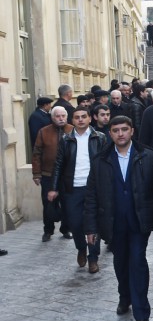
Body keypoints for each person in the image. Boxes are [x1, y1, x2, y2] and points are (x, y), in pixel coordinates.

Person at [84, 116, 153, 321]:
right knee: (121, 262)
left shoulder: (147, 155)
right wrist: (90, 227)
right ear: (110, 133)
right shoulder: (101, 160)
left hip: (139, 221)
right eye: (116, 130)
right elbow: (91, 195)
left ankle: (141, 313)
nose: (120, 134)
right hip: (113, 222)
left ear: (132, 131)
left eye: (124, 129)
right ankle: (124, 295)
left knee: (137, 261)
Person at [49, 107, 107, 273]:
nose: (80, 120)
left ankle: (93, 257)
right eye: (77, 117)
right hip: (72, 189)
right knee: (75, 224)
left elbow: (105, 163)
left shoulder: (100, 137)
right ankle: (81, 248)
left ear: (90, 119)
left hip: (94, 189)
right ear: (72, 120)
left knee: (93, 224)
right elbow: (58, 164)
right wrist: (53, 188)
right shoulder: (66, 140)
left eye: (83, 117)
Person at [32, 106, 73, 241]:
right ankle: (48, 230)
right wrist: (37, 174)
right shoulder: (43, 132)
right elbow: (37, 154)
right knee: (48, 204)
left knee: (67, 203)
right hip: (48, 174)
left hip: (67, 176)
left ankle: (65, 229)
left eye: (63, 116)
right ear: (52, 117)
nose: (61, 119)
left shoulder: (72, 130)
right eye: (58, 116)